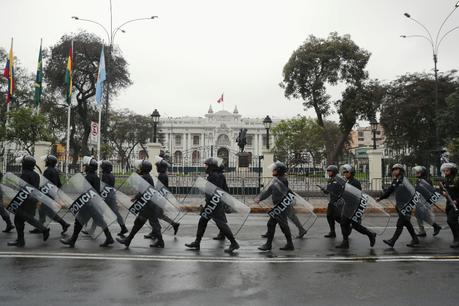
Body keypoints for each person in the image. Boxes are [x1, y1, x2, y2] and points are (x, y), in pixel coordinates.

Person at [185, 157, 240, 253]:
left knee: (221, 224)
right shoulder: (218, 175)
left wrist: (209, 205)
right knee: (203, 221)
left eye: (206, 165)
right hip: (214, 203)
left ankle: (234, 243)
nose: (205, 167)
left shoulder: (214, 176)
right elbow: (225, 189)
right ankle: (197, 242)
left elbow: (213, 191)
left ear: (211, 166)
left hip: (214, 204)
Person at [60, 156, 114, 248]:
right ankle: (109, 238)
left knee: (79, 221)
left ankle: (72, 240)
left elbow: (86, 192)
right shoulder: (95, 177)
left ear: (89, 167)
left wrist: (80, 203)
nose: (84, 167)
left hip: (89, 204)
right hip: (93, 203)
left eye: (85, 165)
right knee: (99, 221)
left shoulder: (89, 177)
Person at [117, 159, 165, 248]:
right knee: (152, 223)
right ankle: (160, 242)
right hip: (150, 204)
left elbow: (142, 191)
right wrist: (136, 197)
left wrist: (136, 197)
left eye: (140, 167)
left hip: (148, 205)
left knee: (140, 223)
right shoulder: (148, 176)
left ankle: (128, 240)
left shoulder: (144, 178)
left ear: (143, 168)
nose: (138, 169)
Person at [7, 156, 50, 247]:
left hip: (24, 200)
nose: (22, 164)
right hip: (32, 200)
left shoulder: (25, 174)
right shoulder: (36, 174)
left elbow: (23, 188)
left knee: (20, 220)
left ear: (25, 164)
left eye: (23, 163)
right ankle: (21, 240)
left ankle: (22, 240)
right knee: (25, 219)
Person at [377, 164, 419, 248]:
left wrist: (410, 204)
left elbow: (413, 192)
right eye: (393, 169)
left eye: (396, 169)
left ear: (401, 171)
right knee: (407, 223)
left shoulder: (405, 181)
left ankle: (392, 241)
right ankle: (415, 239)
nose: (394, 171)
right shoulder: (395, 181)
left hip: (406, 206)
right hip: (399, 206)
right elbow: (389, 191)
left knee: (400, 224)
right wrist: (380, 198)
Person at [336, 164, 376, 249]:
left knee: (352, 225)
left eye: (347, 172)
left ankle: (370, 234)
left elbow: (356, 195)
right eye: (344, 172)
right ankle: (345, 242)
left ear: (351, 172)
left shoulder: (355, 182)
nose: (345, 173)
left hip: (353, 207)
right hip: (348, 206)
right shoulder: (348, 182)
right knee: (346, 223)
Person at [257, 161, 295, 251]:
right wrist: (260, 198)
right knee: (275, 225)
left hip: (281, 206)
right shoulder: (277, 179)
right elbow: (269, 191)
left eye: (274, 169)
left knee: (278, 225)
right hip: (279, 206)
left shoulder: (283, 180)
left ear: (279, 171)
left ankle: (270, 245)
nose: (272, 171)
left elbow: (283, 193)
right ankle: (288, 244)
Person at [29, 155, 70, 235]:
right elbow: (59, 184)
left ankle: (64, 224)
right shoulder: (55, 171)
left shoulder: (48, 171)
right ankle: (40, 227)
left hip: (46, 194)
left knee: (49, 212)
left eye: (46, 161)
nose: (45, 162)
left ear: (49, 162)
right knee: (42, 211)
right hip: (52, 194)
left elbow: (44, 184)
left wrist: (40, 194)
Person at [144, 155, 180, 239]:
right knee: (159, 215)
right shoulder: (163, 174)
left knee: (153, 216)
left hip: (160, 198)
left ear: (161, 167)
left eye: (157, 166)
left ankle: (155, 232)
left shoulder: (162, 176)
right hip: (161, 198)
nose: (156, 167)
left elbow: (160, 188)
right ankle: (174, 224)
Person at [100, 160, 128, 236]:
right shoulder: (111, 175)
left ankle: (92, 230)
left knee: (98, 213)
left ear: (105, 167)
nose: (101, 167)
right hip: (111, 194)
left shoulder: (105, 175)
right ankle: (123, 227)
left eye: (102, 166)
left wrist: (101, 196)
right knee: (115, 213)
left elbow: (104, 186)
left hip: (107, 195)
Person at [412, 165, 441, 237]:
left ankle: (435, 226)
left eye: (418, 172)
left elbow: (429, 191)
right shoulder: (418, 180)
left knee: (424, 216)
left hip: (425, 201)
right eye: (417, 172)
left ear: (422, 173)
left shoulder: (427, 180)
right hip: (419, 201)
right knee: (418, 216)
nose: (416, 174)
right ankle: (422, 231)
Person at [321, 165, 344, 239]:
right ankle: (332, 232)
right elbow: (328, 192)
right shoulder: (330, 180)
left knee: (337, 217)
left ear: (334, 172)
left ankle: (347, 226)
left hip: (338, 202)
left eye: (330, 171)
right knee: (329, 216)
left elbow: (343, 189)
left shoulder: (339, 179)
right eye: (328, 171)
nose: (328, 173)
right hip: (331, 201)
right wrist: (324, 190)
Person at [440, 162, 459, 248]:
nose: (445, 172)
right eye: (444, 170)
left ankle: (457, 239)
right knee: (452, 221)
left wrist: (456, 201)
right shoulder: (446, 179)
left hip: (456, 203)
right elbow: (442, 190)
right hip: (449, 203)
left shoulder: (457, 179)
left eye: (447, 170)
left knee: (451, 220)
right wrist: (442, 192)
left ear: (452, 170)